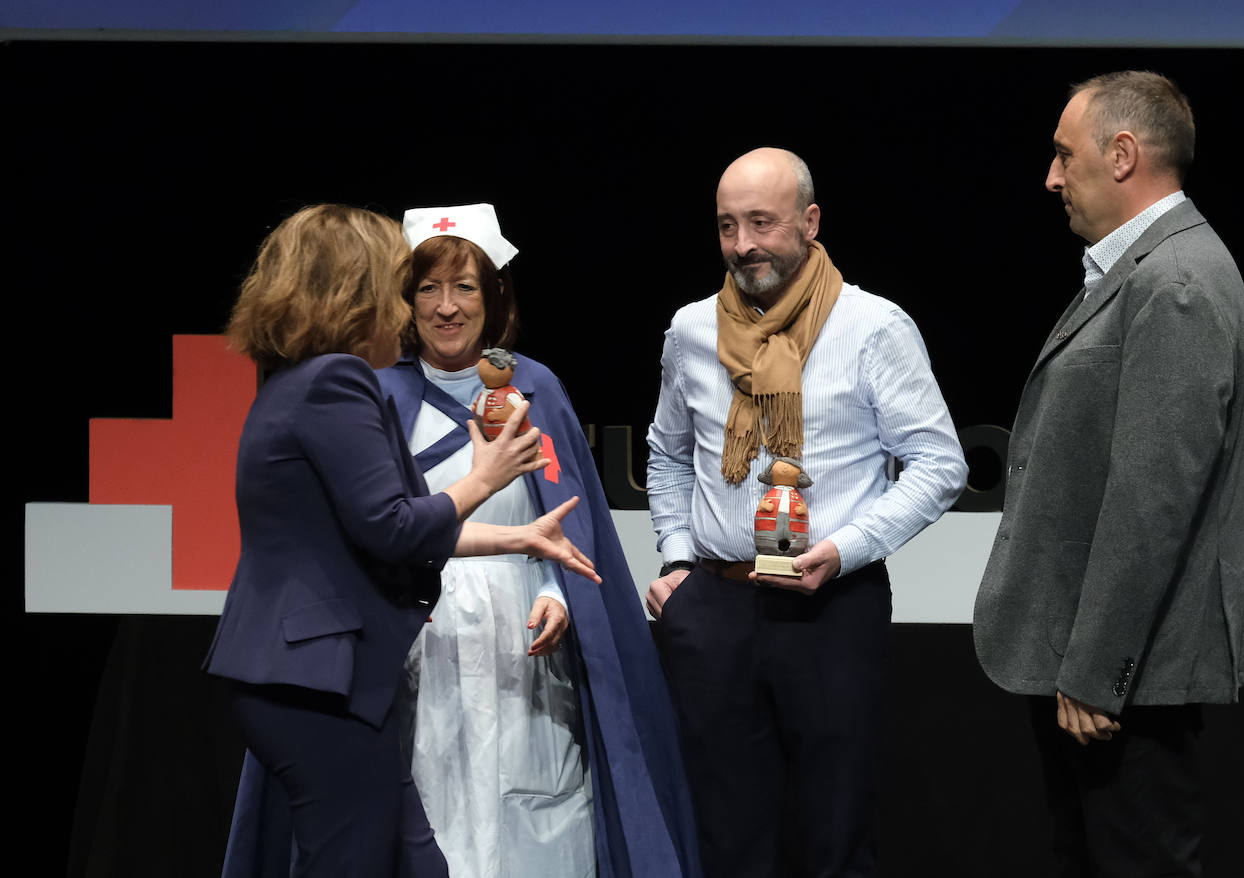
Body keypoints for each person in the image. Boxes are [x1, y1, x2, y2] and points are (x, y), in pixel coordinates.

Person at [203, 203, 598, 878]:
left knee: (415, 859)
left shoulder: (294, 383)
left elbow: (383, 530)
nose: (413, 303)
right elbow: (393, 527)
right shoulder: (338, 381)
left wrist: (521, 538)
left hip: (323, 676)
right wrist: (485, 478)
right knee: (352, 860)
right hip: (319, 679)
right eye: (402, 283)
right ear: (356, 289)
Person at [645, 148, 967, 877]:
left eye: (762, 222)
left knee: (832, 834)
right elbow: (665, 456)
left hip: (831, 609)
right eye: (728, 226)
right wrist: (674, 559)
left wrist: (848, 547)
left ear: (810, 221)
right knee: (722, 835)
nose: (743, 244)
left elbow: (941, 464)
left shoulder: (873, 326)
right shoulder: (692, 330)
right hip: (715, 605)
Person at [972, 71, 1244, 877]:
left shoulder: (1174, 283)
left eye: (1066, 155)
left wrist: (1097, 674)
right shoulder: (1152, 270)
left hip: (1126, 680)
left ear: (1124, 154)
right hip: (1105, 672)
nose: (1052, 177)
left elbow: (1152, 502)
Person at [379, 203, 700, 878]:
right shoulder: (378, 396)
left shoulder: (536, 388)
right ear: (404, 301)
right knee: (430, 805)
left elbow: (567, 521)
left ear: (494, 295)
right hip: (421, 633)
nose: (446, 308)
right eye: (428, 289)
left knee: (534, 817)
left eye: (464, 287)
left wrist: (560, 591)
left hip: (524, 632)